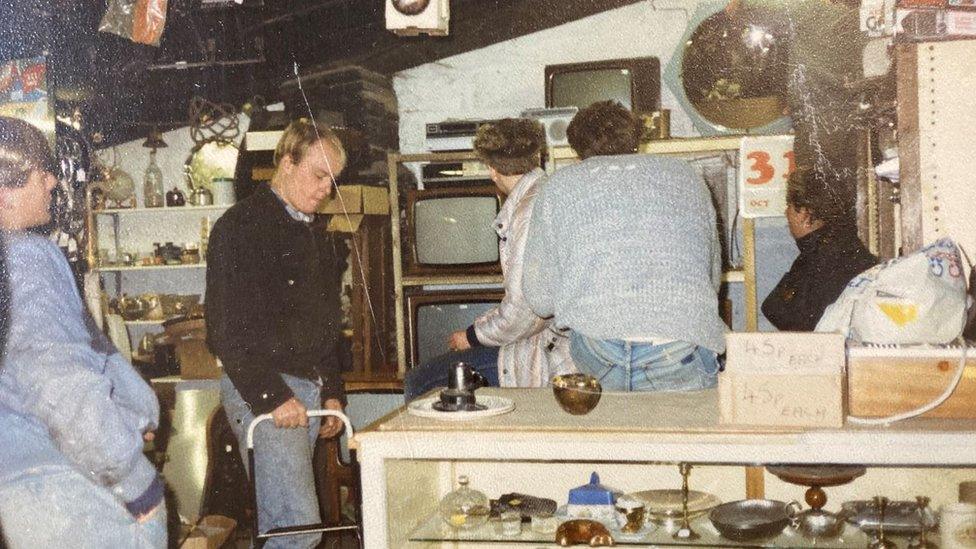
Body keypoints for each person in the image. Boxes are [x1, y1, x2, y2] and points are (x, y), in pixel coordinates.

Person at [0, 116, 166, 547]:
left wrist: (130, 411)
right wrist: (129, 473)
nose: (52, 182)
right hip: (59, 482)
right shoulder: (24, 259)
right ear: (6, 188)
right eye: (41, 172)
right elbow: (57, 381)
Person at [205, 118, 347, 548]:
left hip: (304, 392)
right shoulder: (239, 228)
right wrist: (272, 397)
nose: (327, 189)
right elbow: (225, 330)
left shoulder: (308, 232)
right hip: (266, 391)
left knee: (284, 524)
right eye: (319, 175)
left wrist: (331, 390)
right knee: (297, 528)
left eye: (333, 180)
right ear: (287, 162)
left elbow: (323, 322)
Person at [521, 101, 726, 392]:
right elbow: (711, 278)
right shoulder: (687, 175)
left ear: (578, 152)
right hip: (680, 343)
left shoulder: (557, 186)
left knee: (615, 433)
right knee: (682, 436)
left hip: (599, 349)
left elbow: (540, 299)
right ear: (635, 140)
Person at [403, 118, 576, 402]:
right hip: (552, 340)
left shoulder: (526, 211)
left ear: (492, 170)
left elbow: (524, 312)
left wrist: (471, 336)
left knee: (419, 381)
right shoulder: (545, 192)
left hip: (546, 351)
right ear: (536, 156)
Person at [762, 169, 877, 331]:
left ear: (804, 214)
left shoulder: (822, 256)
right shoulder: (838, 245)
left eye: (789, 206)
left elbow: (778, 311)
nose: (785, 212)